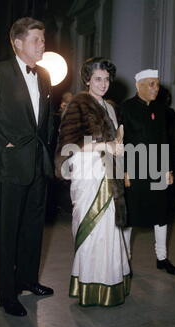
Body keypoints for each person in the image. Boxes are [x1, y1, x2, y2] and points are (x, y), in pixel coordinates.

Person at [0, 17, 54, 316]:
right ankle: (7, 295)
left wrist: (49, 152)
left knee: (33, 229)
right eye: (36, 40)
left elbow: (45, 121)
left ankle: (28, 280)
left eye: (43, 39)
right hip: (11, 165)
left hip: (38, 165)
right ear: (17, 43)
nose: (43, 44)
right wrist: (2, 145)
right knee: (7, 233)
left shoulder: (43, 75)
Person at [55, 57, 131, 307]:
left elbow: (116, 141)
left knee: (110, 230)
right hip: (88, 172)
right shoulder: (78, 103)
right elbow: (68, 143)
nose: (103, 83)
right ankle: (89, 284)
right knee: (92, 230)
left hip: (109, 171)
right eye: (97, 78)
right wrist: (104, 145)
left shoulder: (110, 107)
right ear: (87, 79)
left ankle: (109, 282)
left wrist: (119, 156)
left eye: (106, 79)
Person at [121, 69, 175, 275]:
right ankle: (125, 261)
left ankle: (162, 258)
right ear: (139, 86)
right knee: (130, 216)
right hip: (134, 170)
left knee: (161, 213)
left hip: (157, 169)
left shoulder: (162, 110)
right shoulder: (125, 108)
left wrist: (169, 169)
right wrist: (124, 172)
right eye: (151, 84)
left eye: (157, 84)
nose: (156, 88)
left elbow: (166, 140)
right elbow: (120, 143)